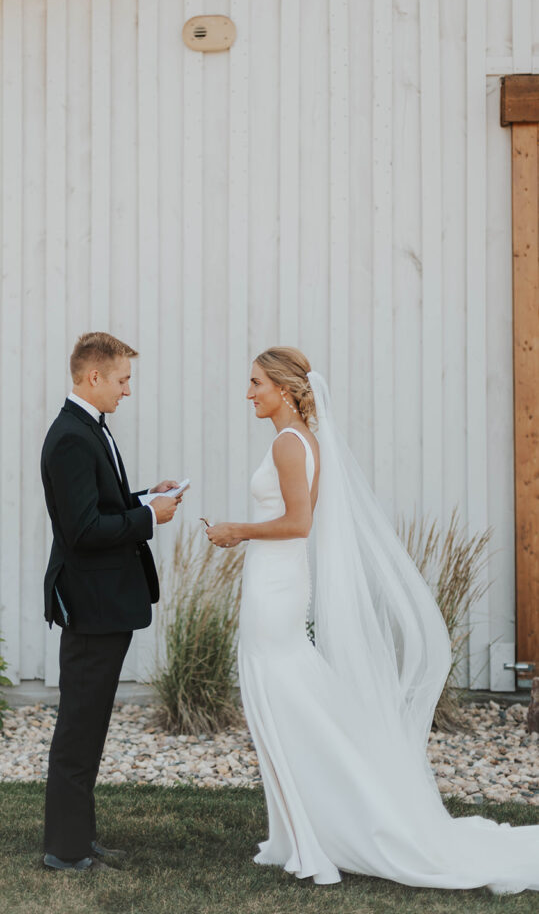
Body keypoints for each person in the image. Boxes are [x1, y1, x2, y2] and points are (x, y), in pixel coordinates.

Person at [206, 346, 539, 893]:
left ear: (285, 390)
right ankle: (297, 833)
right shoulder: (303, 440)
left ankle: (319, 833)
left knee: (283, 700)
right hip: (279, 584)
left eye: (256, 383)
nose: (249, 394)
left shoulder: (289, 444)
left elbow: (298, 522)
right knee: (284, 702)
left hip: (276, 588)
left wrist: (236, 530)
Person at [41, 331, 182, 873]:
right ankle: (66, 850)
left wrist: (146, 497)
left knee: (90, 723)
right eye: (122, 380)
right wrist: (148, 520)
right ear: (93, 376)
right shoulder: (72, 437)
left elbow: (101, 505)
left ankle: (80, 838)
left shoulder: (88, 429)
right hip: (92, 603)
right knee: (79, 727)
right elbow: (82, 530)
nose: (127, 391)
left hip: (105, 602)